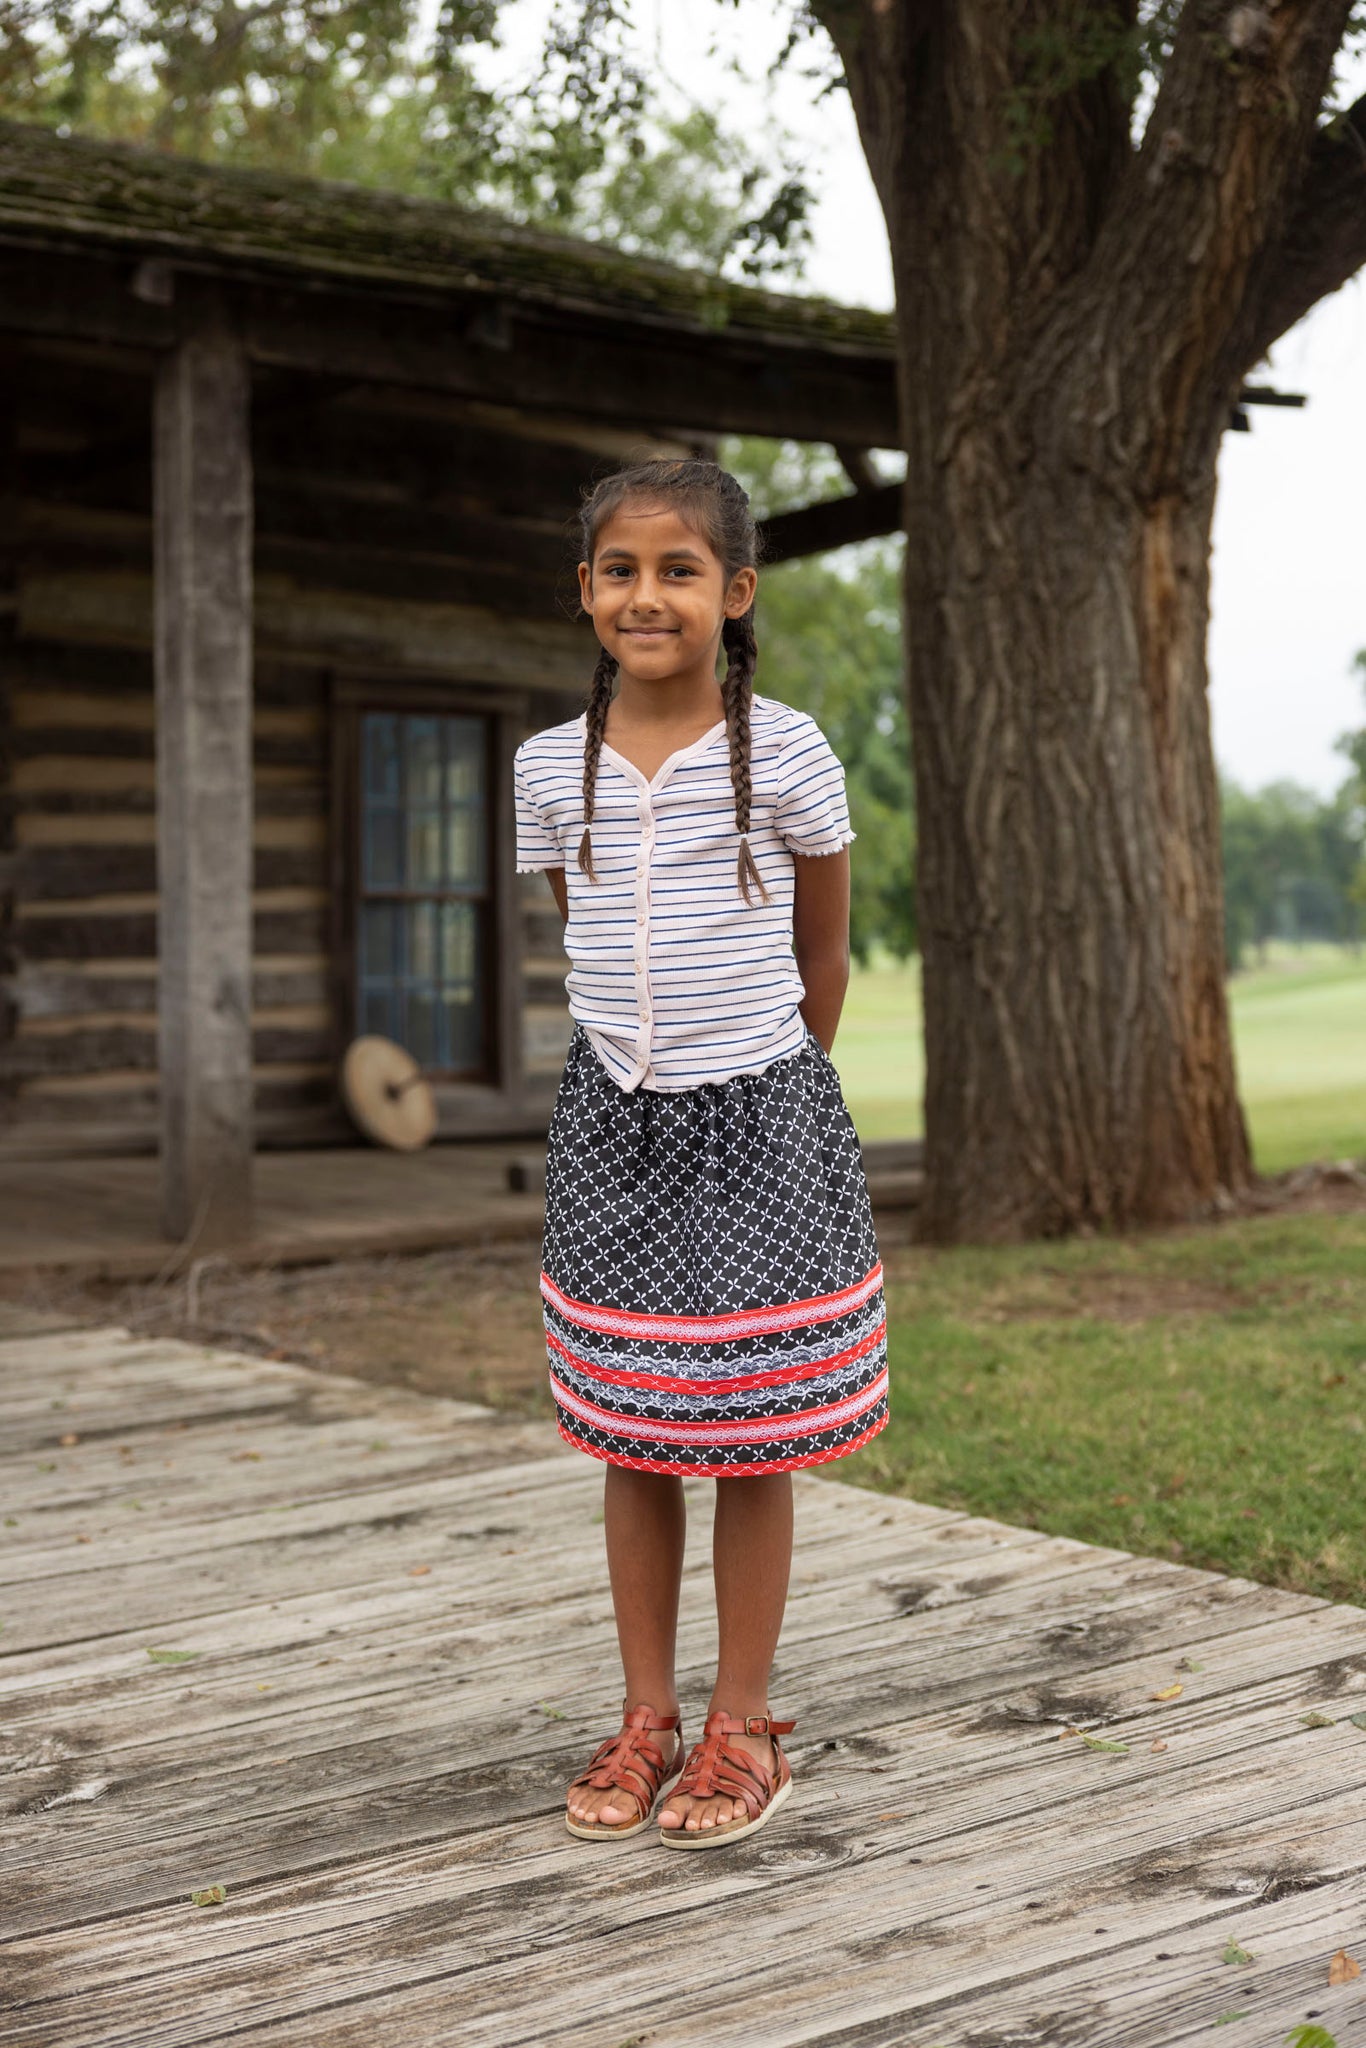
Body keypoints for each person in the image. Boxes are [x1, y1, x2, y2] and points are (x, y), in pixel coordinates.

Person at [513, 458, 888, 1850]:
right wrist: (652, 1082)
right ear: (584, 594)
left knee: (745, 1431)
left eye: (677, 570)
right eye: (619, 570)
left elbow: (822, 947)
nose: (645, 595)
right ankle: (643, 1715)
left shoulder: (785, 751)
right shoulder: (548, 768)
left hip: (762, 1118)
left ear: (734, 594)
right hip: (614, 1125)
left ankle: (740, 1725)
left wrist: (779, 1086)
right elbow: (582, 924)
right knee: (630, 1426)